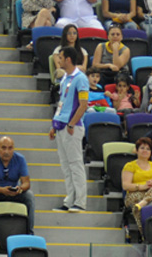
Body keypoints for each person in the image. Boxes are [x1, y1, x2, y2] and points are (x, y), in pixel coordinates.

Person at [51, 42, 90, 212]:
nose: (58, 60)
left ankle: (80, 201)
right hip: (61, 125)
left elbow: (83, 104)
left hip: (72, 126)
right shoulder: (65, 78)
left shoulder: (80, 78)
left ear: (67, 59)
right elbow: (62, 103)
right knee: (65, 165)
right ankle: (70, 199)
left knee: (75, 164)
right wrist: (54, 124)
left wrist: (72, 123)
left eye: (60, 58)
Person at [0, 136, 35, 221]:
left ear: (13, 149)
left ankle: (29, 232)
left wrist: (20, 189)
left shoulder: (20, 159)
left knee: (29, 195)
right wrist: (1, 190)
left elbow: (26, 183)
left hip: (13, 193)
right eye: (3, 148)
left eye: (10, 148)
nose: (6, 152)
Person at [122, 137, 152, 228]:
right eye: (142, 148)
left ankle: (144, 203)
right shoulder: (130, 166)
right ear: (137, 150)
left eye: (148, 149)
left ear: (151, 152)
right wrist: (143, 186)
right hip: (135, 194)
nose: (145, 151)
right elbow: (125, 186)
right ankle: (148, 231)